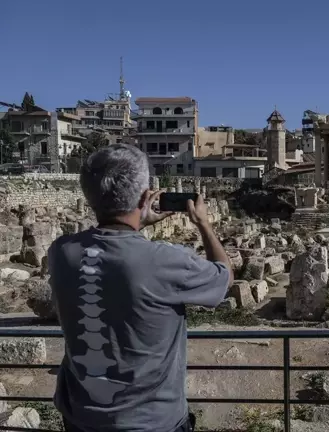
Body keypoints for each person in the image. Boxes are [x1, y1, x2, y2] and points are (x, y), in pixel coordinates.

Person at [47, 144, 233, 432]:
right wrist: (204, 225)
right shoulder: (165, 260)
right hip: (154, 423)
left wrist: (135, 224)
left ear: (88, 195)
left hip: (81, 420)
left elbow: (115, 251)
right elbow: (223, 278)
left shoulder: (61, 253)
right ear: (146, 196)